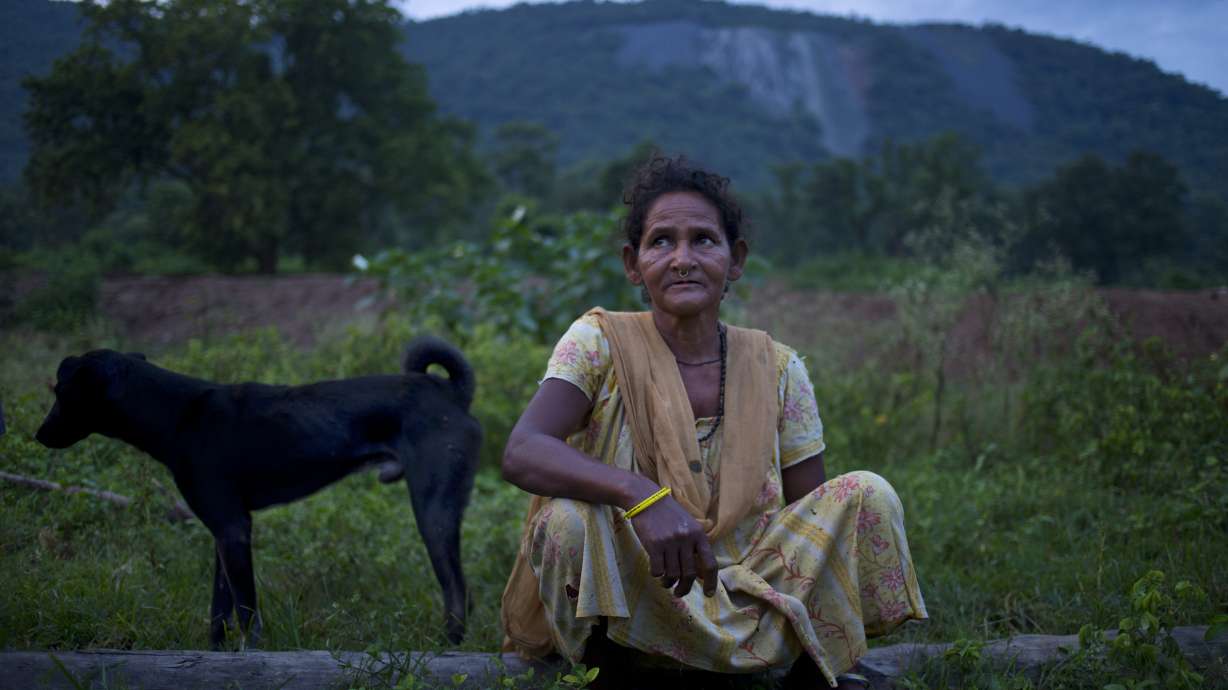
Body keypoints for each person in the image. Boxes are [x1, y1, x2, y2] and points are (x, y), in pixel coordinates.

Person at [500, 156, 926, 689]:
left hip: (751, 589)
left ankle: (798, 664)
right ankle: (612, 670)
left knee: (869, 493)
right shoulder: (599, 343)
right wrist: (642, 496)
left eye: (703, 240)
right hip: (641, 587)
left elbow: (809, 516)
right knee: (565, 520)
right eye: (661, 242)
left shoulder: (777, 366)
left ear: (736, 258)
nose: (682, 259)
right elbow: (522, 449)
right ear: (634, 265)